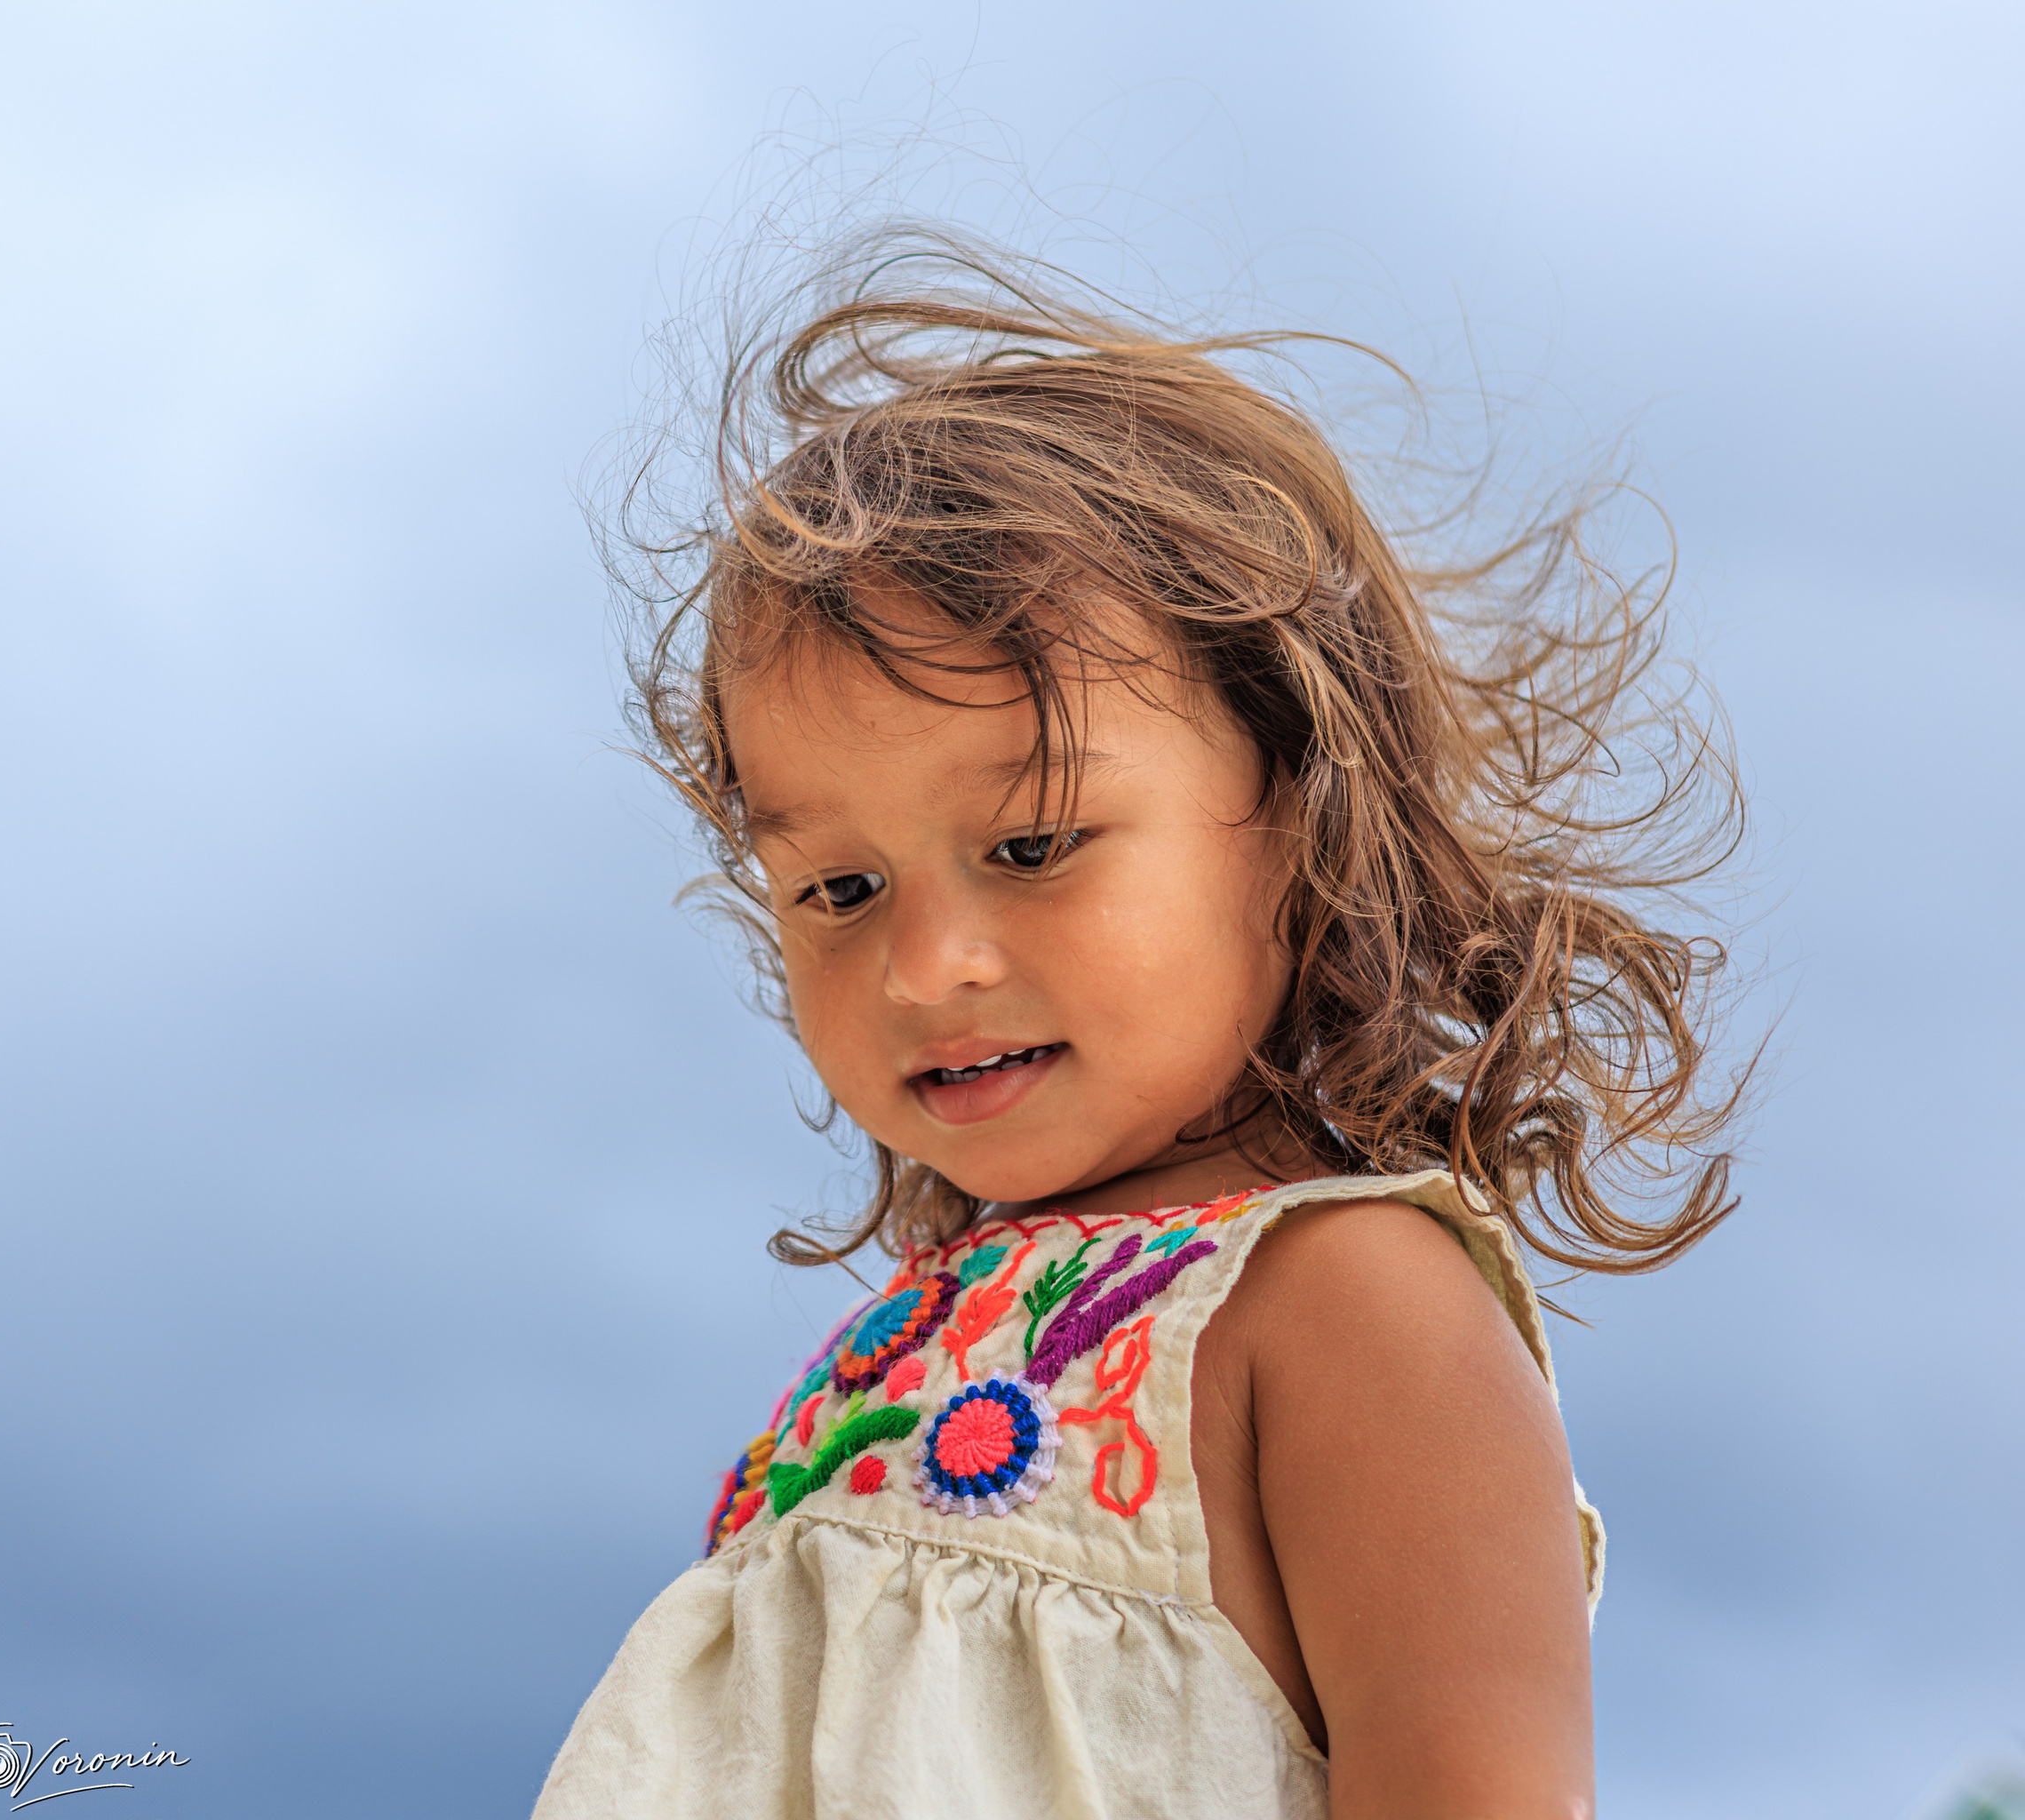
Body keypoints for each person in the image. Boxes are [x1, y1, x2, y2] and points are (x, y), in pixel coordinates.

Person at [537, 242, 1742, 1819]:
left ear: (1301, 821)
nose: (925, 967)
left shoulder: (1350, 1301)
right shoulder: (890, 1357)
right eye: (839, 887)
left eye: (1035, 845)